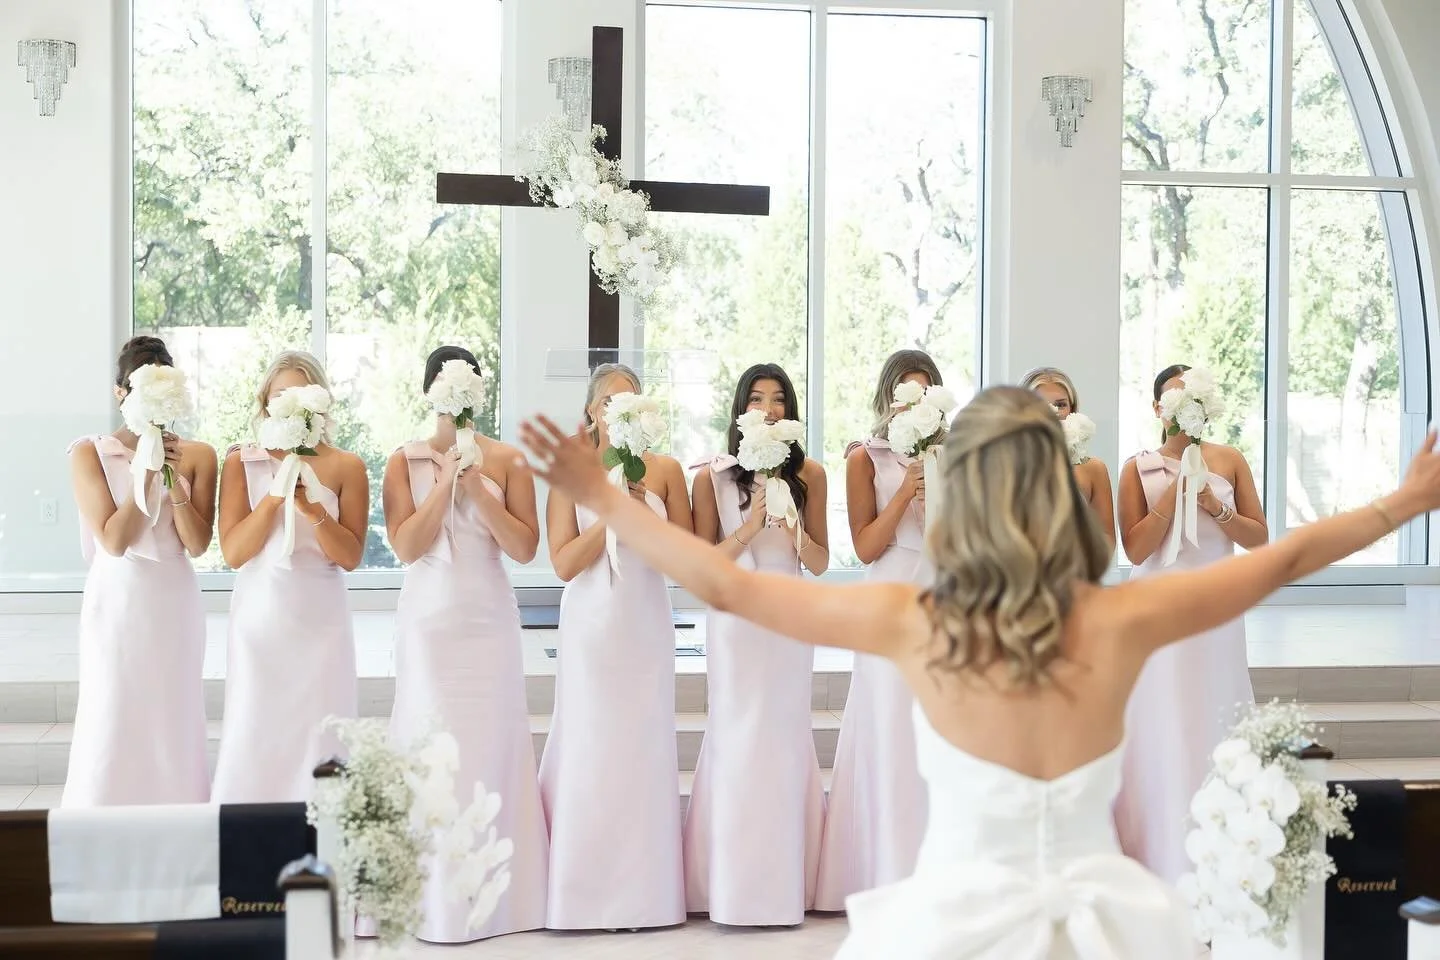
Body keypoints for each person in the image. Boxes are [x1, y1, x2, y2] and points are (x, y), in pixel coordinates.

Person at [515, 385, 1440, 958]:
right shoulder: (1120, 618)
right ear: (1055, 488)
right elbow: (1281, 559)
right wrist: (1405, 500)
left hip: (950, 926)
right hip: (1112, 927)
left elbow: (724, 584)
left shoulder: (915, 622)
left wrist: (603, 498)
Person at [382, 345, 548, 941]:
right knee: (430, 744)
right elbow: (407, 546)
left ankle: (502, 900)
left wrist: (480, 491)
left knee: (491, 745)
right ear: (431, 392)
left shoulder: (510, 459)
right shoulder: (402, 461)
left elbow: (527, 548)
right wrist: (446, 481)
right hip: (430, 621)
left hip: (489, 620)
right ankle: (428, 900)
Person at [539, 363, 691, 931]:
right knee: (591, 742)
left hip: (645, 621)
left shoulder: (667, 470)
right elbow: (563, 564)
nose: (620, 409)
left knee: (643, 743)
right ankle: (582, 894)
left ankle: (647, 895)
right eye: (610, 401)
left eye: (631, 400)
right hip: (591, 627)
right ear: (592, 413)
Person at [1113, 363, 1270, 883]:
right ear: (1158, 406)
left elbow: (1258, 539)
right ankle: (1152, 845)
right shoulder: (1137, 466)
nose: (1183, 403)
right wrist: (1171, 495)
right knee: (1158, 717)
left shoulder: (1230, 459)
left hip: (1215, 607)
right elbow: (1134, 548)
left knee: (1215, 710)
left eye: (1191, 393)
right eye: (1173, 394)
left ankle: (1223, 844)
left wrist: (1211, 505)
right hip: (1156, 608)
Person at [685, 363, 827, 926]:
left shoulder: (811, 473)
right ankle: (730, 883)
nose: (768, 409)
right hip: (735, 623)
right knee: (737, 735)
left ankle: (787, 881)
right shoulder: (712, 477)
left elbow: (817, 563)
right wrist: (750, 526)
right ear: (740, 410)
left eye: (778, 400)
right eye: (757, 399)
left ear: (789, 412)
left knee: (786, 736)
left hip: (789, 617)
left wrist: (791, 526)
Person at [63, 336, 214, 806]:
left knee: (173, 713)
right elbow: (113, 539)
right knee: (113, 709)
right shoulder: (88, 452)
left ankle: (179, 822)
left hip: (173, 597)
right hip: (119, 597)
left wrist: (175, 482)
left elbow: (198, 543)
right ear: (120, 393)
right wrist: (146, 473)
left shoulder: (199, 455)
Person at [211, 351, 367, 803]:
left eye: (299, 393)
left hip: (321, 619)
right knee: (257, 728)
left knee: (322, 731)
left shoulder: (347, 466)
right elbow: (236, 552)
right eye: (281, 394)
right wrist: (275, 499)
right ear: (266, 401)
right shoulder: (242, 461)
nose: (290, 403)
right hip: (261, 617)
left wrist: (313, 509)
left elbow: (351, 556)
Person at [815, 349, 940, 908]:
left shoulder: (958, 455)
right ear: (889, 400)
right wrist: (907, 489)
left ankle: (934, 865)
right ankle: (883, 867)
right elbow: (865, 546)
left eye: (924, 392)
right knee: (889, 722)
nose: (914, 402)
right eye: (905, 393)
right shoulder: (865, 457)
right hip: (889, 588)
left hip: (943, 591)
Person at [1021, 366, 1116, 550]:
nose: (1053, 412)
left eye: (1060, 404)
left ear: (1072, 409)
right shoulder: (1006, 465)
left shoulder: (1093, 469)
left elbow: (1107, 541)